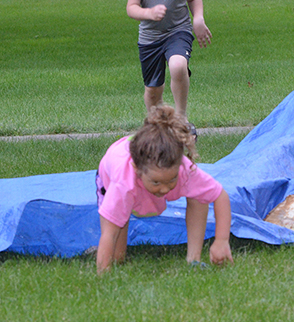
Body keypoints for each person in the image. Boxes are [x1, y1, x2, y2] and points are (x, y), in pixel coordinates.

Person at [96, 105, 233, 274]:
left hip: (151, 165)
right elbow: (110, 233)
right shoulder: (123, 185)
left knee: (199, 193)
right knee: (116, 257)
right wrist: (103, 274)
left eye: (171, 180)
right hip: (110, 176)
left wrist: (221, 240)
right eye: (156, 182)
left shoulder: (183, 169)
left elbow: (220, 195)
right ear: (137, 170)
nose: (165, 189)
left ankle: (193, 258)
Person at [126, 0, 212, 138]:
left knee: (177, 66)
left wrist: (199, 19)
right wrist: (149, 12)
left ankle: (181, 120)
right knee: (153, 90)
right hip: (150, 37)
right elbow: (131, 7)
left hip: (178, 30)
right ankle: (157, 126)